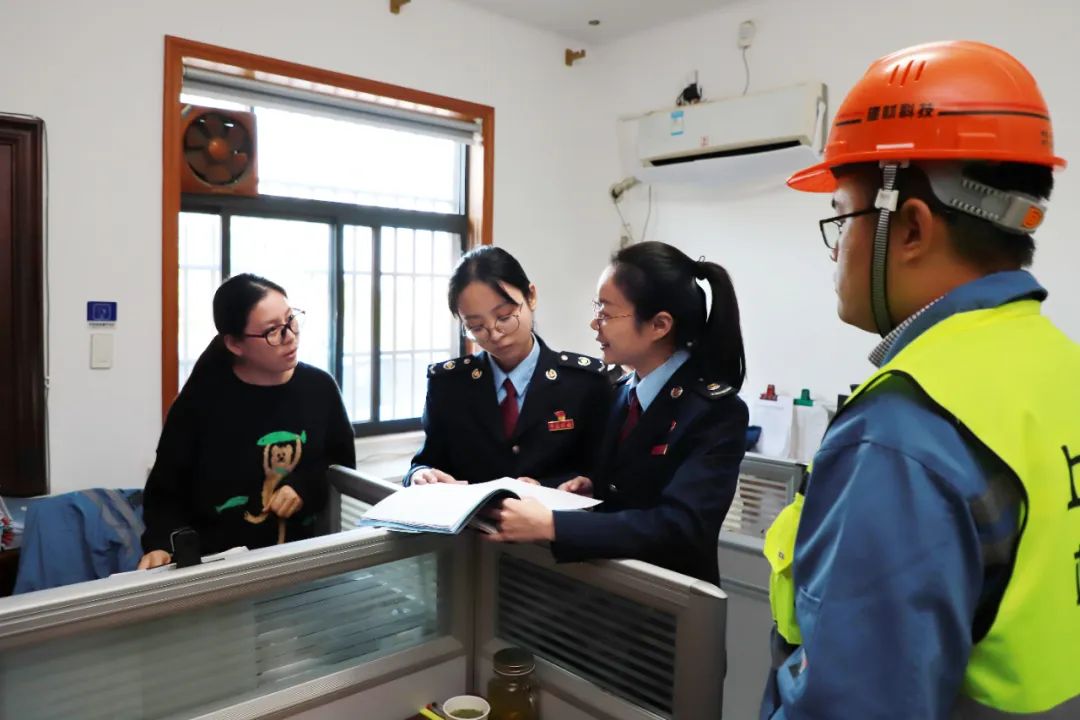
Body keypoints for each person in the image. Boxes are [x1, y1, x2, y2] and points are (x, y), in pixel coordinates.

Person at [760, 41, 1080, 719]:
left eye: (842, 219)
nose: (835, 252)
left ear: (910, 228)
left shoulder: (902, 435)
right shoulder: (1062, 368)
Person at [488, 241, 749, 584]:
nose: (594, 323)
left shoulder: (714, 412)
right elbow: (621, 483)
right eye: (597, 308)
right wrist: (583, 486)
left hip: (670, 601)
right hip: (607, 593)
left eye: (607, 313)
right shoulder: (619, 392)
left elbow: (681, 527)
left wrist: (553, 525)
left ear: (659, 325)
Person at [139, 274, 356, 569]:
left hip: (298, 564)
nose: (290, 336)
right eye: (272, 331)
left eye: (291, 320)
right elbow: (165, 493)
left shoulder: (319, 388)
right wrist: (161, 545)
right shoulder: (201, 402)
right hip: (218, 570)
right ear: (235, 344)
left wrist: (304, 487)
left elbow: (341, 466)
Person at [407, 246, 611, 489]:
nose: (495, 334)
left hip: (551, 513)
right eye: (476, 327)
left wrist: (549, 486)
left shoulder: (584, 382)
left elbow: (602, 471)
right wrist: (421, 475)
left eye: (504, 317)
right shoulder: (449, 384)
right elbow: (426, 461)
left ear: (531, 296)